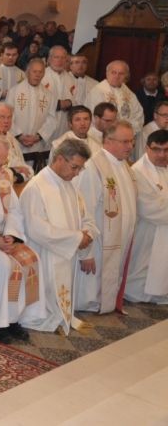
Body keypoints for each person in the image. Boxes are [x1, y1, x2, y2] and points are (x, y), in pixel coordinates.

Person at [18, 139, 97, 334]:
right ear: (60, 159)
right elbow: (36, 228)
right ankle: (46, 318)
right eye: (74, 167)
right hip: (44, 252)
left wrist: (87, 234)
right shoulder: (36, 187)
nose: (77, 173)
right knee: (46, 291)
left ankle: (61, 316)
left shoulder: (70, 185)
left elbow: (85, 215)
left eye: (80, 168)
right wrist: (76, 238)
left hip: (65, 251)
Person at [0, 134, 43, 344]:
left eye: (2, 164)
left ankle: (14, 318)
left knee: (30, 259)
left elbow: (15, 210)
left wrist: (11, 235)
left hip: (3, 237)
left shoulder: (3, 178)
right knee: (4, 266)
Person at [75, 120, 137, 314]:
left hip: (118, 237)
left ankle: (106, 302)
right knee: (92, 285)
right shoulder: (93, 167)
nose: (130, 146)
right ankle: (90, 304)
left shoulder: (124, 165)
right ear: (108, 141)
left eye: (132, 141)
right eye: (125, 141)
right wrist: (86, 253)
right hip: (99, 240)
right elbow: (85, 210)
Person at [125, 129, 168, 304]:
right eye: (156, 149)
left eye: (166, 150)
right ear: (146, 148)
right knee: (143, 267)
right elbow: (149, 208)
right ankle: (140, 293)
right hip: (146, 230)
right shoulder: (138, 172)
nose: (162, 155)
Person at [5, 58, 58, 157]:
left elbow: (52, 119)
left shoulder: (49, 95)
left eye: (40, 72)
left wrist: (38, 136)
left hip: (37, 145)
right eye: (34, 71)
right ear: (27, 72)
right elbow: (7, 116)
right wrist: (19, 136)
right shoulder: (14, 92)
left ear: (44, 74)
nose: (37, 75)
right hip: (16, 143)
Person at [86, 60, 144, 134]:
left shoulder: (130, 94)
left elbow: (138, 115)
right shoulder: (97, 91)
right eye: (113, 72)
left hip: (125, 135)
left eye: (121, 73)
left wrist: (125, 131)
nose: (117, 76)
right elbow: (94, 117)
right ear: (107, 73)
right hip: (104, 135)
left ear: (126, 76)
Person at [41, 46, 73, 138]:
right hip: (44, 124)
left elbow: (76, 100)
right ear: (49, 59)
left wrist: (70, 103)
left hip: (63, 124)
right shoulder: (41, 76)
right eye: (56, 57)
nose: (60, 61)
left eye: (63, 58)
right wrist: (58, 104)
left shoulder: (70, 79)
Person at [0, 42, 24, 107]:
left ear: (17, 55)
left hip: (16, 109)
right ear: (2, 55)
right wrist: (1, 94)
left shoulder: (22, 75)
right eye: (8, 54)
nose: (11, 57)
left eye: (14, 55)